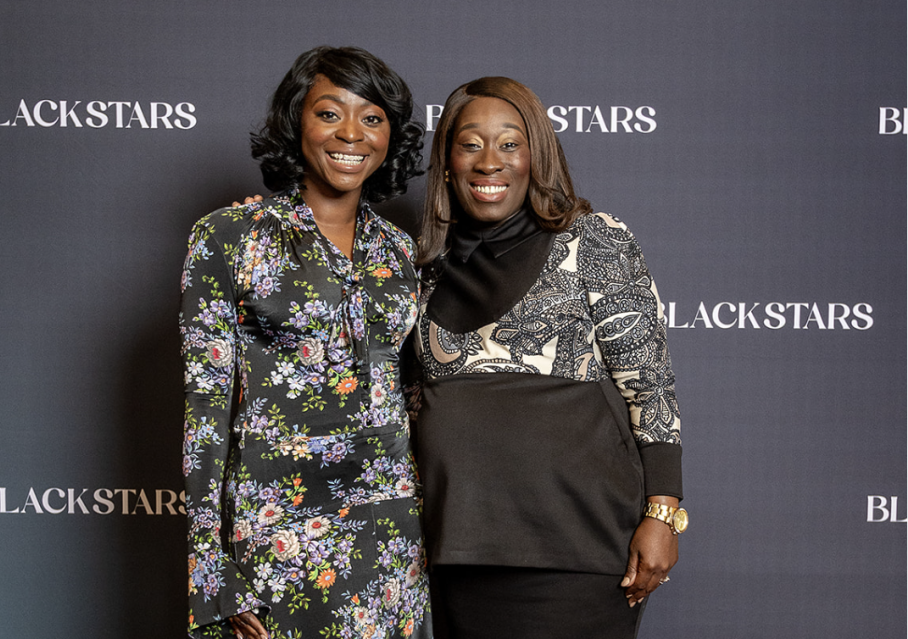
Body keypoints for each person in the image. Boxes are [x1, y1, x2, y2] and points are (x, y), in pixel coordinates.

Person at [410, 77, 686, 638]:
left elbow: (649, 384)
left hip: (574, 547)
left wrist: (663, 514)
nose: (490, 161)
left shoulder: (593, 240)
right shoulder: (423, 268)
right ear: (445, 163)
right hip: (459, 548)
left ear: (537, 157)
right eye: (470, 144)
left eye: (510, 144)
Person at [180, 46, 430, 639]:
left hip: (388, 530)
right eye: (329, 113)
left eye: (372, 118)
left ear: (391, 135)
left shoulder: (400, 251)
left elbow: (410, 391)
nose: (351, 134)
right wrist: (211, 568)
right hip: (277, 530)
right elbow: (204, 409)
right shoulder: (230, 237)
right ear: (297, 123)